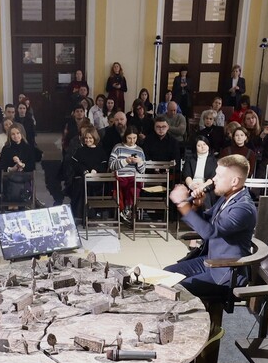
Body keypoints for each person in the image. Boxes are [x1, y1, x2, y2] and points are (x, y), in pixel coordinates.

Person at [165, 154, 257, 300]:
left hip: (226, 271)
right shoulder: (227, 197)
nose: (214, 179)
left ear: (234, 181)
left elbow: (211, 232)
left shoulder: (243, 208)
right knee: (166, 274)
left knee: (175, 288)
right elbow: (207, 221)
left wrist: (183, 205)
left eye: (219, 175)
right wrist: (197, 205)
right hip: (211, 260)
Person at [64, 127, 107, 218]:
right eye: (86, 138)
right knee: (79, 185)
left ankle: (92, 213)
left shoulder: (100, 151)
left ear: (94, 138)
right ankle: (80, 214)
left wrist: (95, 170)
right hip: (82, 178)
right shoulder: (80, 151)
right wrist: (84, 170)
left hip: (96, 180)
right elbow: (75, 163)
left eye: (90, 138)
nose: (88, 140)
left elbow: (103, 164)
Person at [109, 127, 146, 223]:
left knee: (134, 187)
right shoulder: (118, 147)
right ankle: (124, 211)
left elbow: (142, 170)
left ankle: (128, 210)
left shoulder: (140, 150)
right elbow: (111, 165)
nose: (132, 141)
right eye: (129, 138)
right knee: (122, 186)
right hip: (120, 176)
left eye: (134, 138)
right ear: (125, 137)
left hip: (134, 177)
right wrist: (125, 161)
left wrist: (139, 162)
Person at [0, 125, 36, 206]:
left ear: (21, 134)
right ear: (10, 136)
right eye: (13, 134)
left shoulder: (28, 147)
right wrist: (11, 169)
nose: (16, 136)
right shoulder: (6, 148)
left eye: (18, 133)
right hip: (10, 177)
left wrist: (22, 165)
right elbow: (1, 166)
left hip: (25, 177)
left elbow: (32, 166)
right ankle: (12, 203)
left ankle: (22, 202)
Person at [183, 135, 218, 208]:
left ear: (208, 145)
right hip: (192, 186)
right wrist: (192, 186)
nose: (202, 147)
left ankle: (207, 214)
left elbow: (212, 178)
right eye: (199, 145)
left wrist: (202, 186)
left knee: (205, 196)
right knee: (190, 196)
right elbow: (187, 175)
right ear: (195, 147)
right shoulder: (190, 160)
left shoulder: (214, 161)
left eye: (204, 144)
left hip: (206, 187)